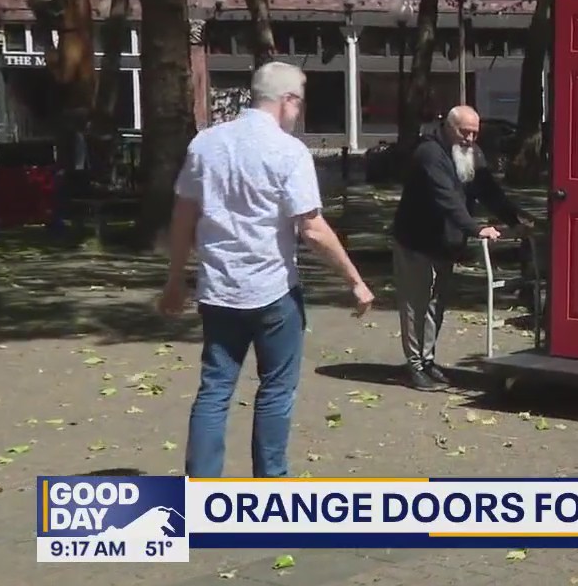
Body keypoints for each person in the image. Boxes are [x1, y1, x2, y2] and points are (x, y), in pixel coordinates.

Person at [157, 61, 375, 479]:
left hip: (218, 289)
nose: (299, 114)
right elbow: (311, 228)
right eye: (300, 105)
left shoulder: (205, 144)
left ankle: (201, 486)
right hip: (274, 291)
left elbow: (183, 217)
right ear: (287, 101)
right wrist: (355, 280)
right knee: (275, 391)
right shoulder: (288, 151)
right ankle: (270, 486)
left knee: (215, 390)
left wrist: (174, 280)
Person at [391, 104, 526, 391]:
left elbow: (488, 190)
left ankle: (427, 360)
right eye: (464, 132)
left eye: (475, 133)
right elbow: (446, 198)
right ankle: (413, 365)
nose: (470, 139)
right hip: (417, 241)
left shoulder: (470, 154)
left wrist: (515, 218)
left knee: (435, 305)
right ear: (448, 128)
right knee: (416, 303)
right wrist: (477, 229)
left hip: (444, 244)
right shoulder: (429, 154)